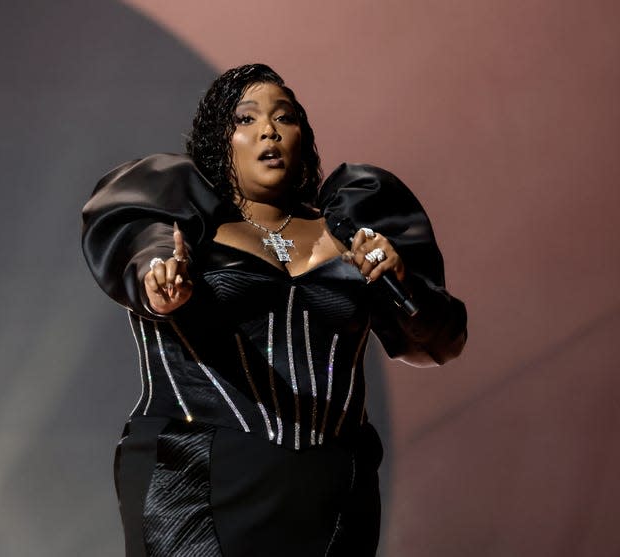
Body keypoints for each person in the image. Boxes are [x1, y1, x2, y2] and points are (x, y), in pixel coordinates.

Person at [81, 63, 467, 557]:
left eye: (284, 117)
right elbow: (144, 263)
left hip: (334, 489)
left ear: (303, 135)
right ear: (218, 141)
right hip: (200, 480)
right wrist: (161, 282)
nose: (269, 129)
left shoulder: (353, 225)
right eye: (245, 119)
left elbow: (440, 343)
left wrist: (400, 281)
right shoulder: (179, 220)